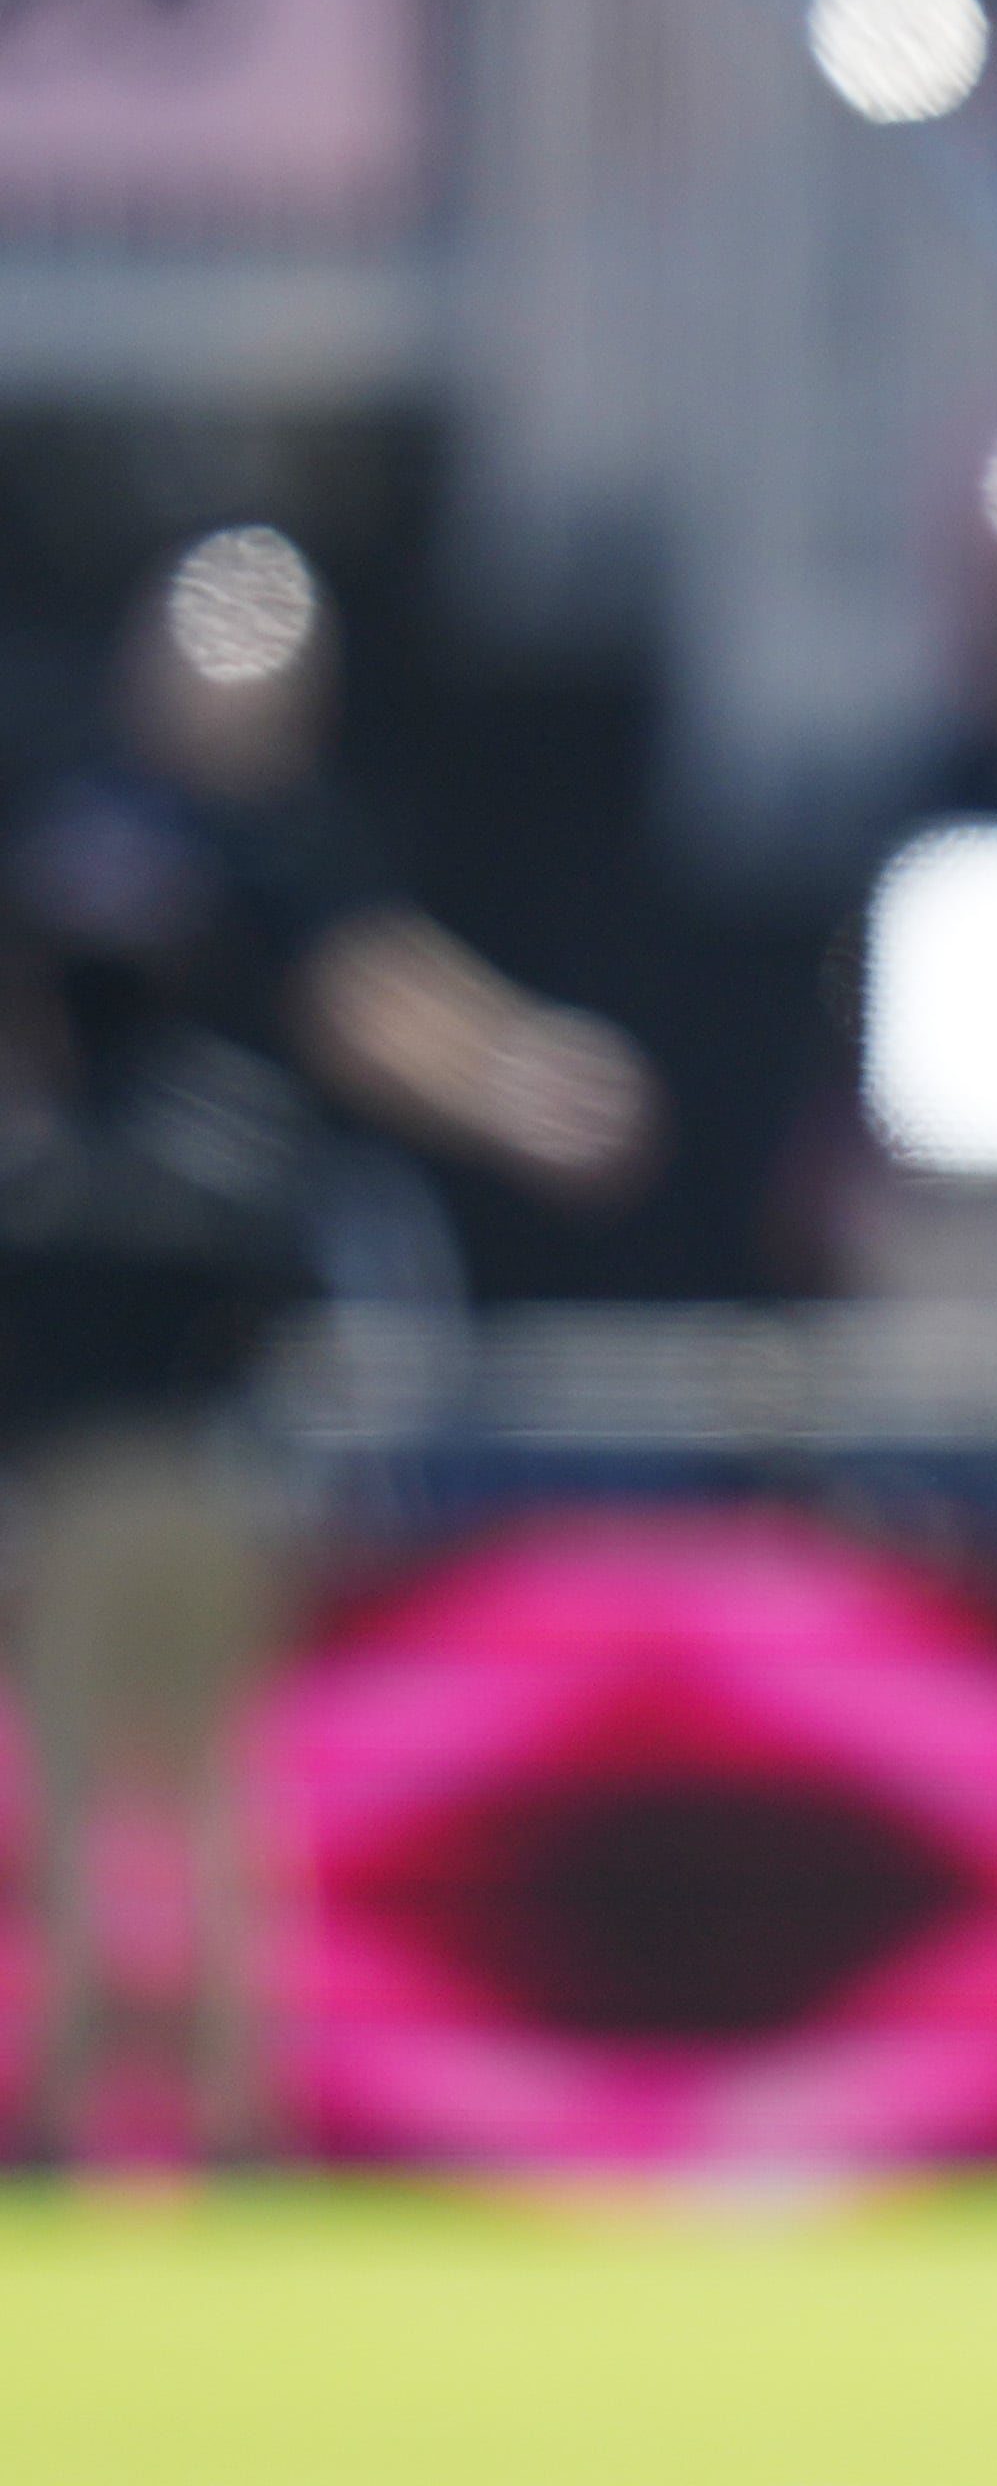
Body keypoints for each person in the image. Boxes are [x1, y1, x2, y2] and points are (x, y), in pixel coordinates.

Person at [0, 536, 659, 2164]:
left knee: (201, 1768)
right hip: (74, 1390)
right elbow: (369, 1010)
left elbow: (371, 994)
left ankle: (215, 2104)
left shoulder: (275, 852)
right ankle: (103, 2104)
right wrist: (517, 1083)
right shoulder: (95, 829)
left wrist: (514, 1075)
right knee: (93, 1772)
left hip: (212, 1385)